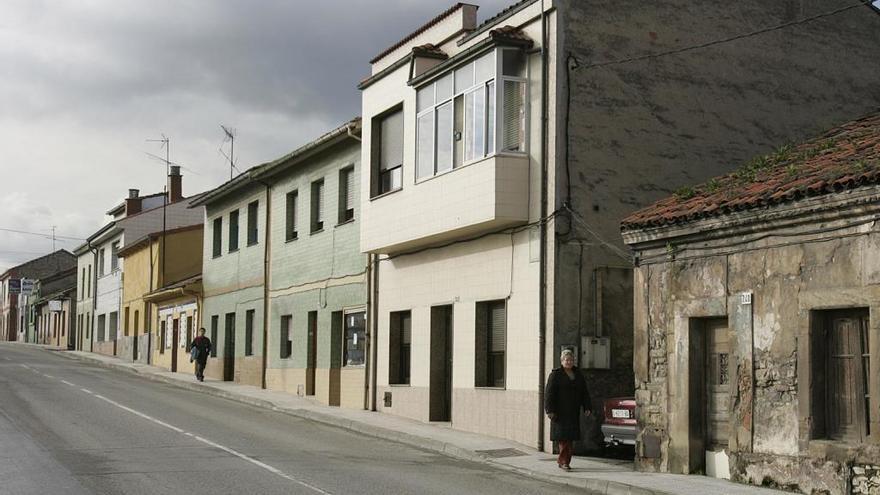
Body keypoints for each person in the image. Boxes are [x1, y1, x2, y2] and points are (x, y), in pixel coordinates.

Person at [544, 348, 592, 470]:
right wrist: (549, 410)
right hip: (559, 412)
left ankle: (564, 461)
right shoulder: (555, 375)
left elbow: (584, 392)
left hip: (573, 412)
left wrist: (587, 407)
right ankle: (564, 461)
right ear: (562, 361)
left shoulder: (578, 374)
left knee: (570, 439)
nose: (569, 362)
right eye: (566, 359)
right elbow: (549, 394)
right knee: (563, 438)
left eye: (571, 359)